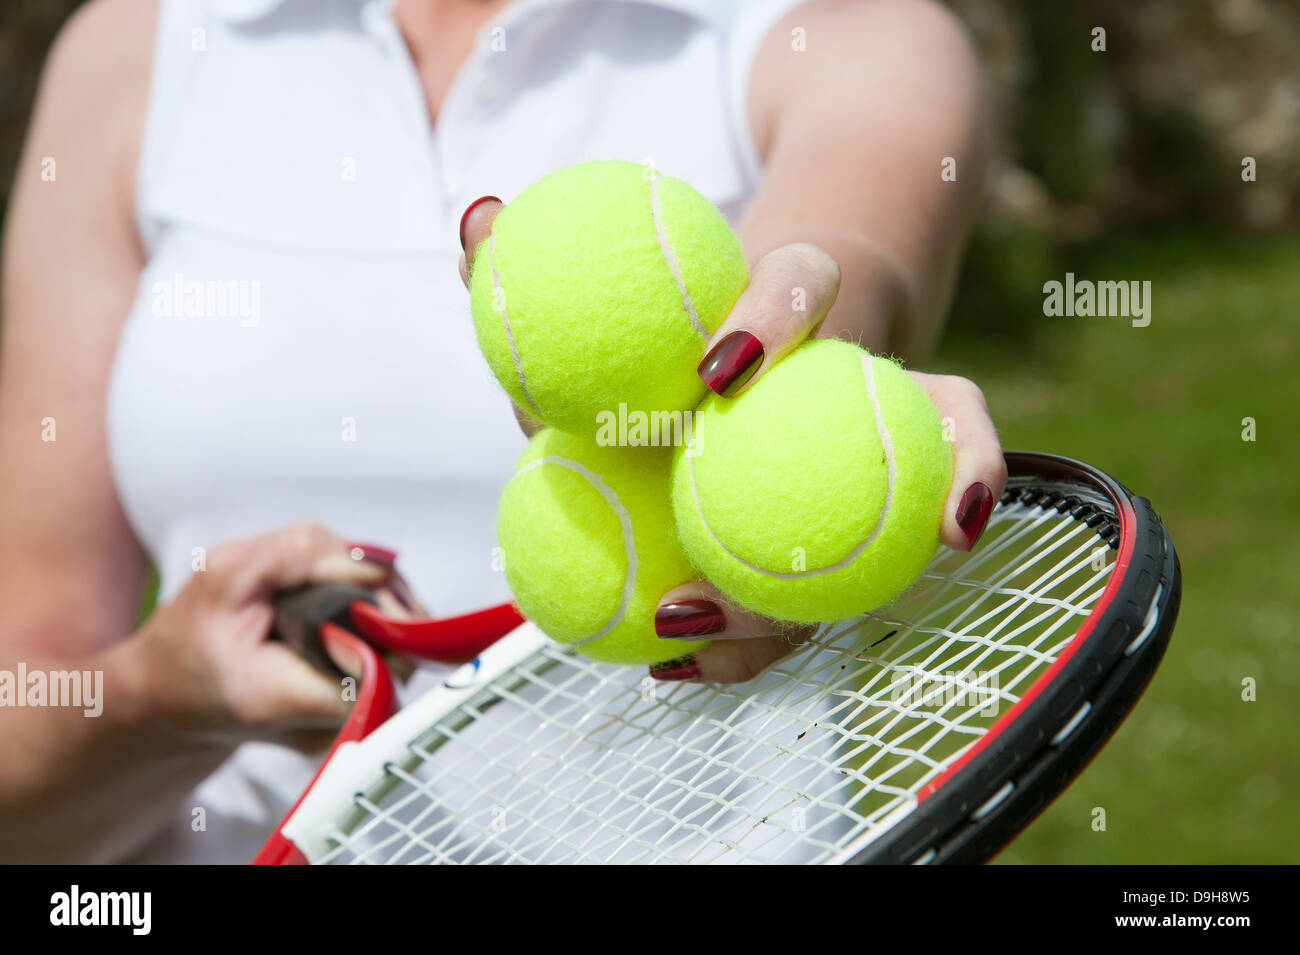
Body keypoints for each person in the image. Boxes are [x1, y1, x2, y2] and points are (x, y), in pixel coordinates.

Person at [0, 0, 1004, 863]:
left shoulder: (835, 32)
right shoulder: (142, 46)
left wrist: (801, 345)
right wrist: (162, 699)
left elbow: (844, 263)